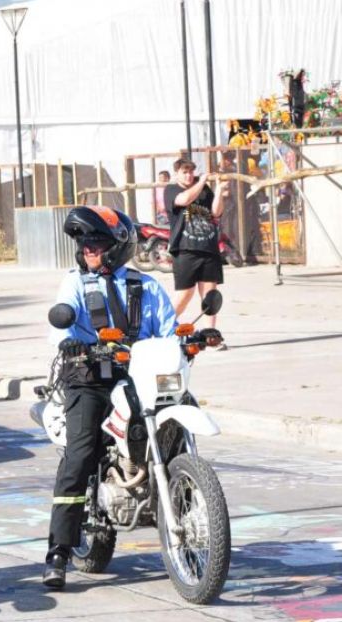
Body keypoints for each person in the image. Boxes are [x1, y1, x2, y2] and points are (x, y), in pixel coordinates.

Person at [42, 205, 192, 590]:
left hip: (139, 375)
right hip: (89, 377)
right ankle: (58, 551)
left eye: (94, 243)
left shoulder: (146, 286)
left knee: (181, 412)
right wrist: (71, 342)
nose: (87, 249)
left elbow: (168, 330)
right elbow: (61, 322)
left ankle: (186, 502)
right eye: (83, 243)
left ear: (116, 247)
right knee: (81, 452)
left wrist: (190, 340)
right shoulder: (75, 282)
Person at [163, 158, 227, 332]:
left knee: (209, 296)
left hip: (208, 247)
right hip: (185, 249)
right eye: (185, 172)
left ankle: (209, 333)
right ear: (177, 173)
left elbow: (216, 212)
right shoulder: (171, 189)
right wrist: (202, 181)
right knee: (185, 293)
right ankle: (163, 326)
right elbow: (183, 200)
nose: (189, 175)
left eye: (191, 172)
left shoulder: (204, 189)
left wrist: (219, 190)